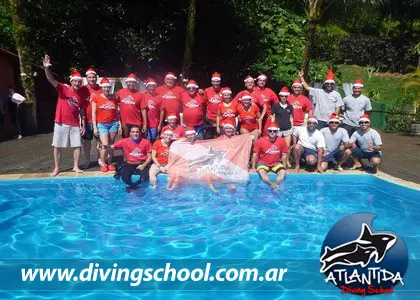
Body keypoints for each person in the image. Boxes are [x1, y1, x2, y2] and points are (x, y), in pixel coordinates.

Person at [43, 55, 86, 176]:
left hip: (75, 124)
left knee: (77, 145)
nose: (77, 83)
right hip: (61, 121)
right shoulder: (63, 88)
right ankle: (57, 168)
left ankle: (75, 166)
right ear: (71, 81)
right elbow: (51, 80)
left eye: (79, 81)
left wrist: (83, 124)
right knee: (58, 146)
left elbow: (82, 110)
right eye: (75, 81)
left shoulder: (80, 95)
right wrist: (46, 68)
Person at [92, 78, 121, 172]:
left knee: (111, 145)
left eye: (108, 87)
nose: (106, 89)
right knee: (105, 145)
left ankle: (109, 163)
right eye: (104, 88)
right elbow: (94, 113)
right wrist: (95, 127)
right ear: (102, 88)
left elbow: (117, 112)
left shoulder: (114, 98)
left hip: (113, 123)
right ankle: (103, 163)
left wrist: (119, 124)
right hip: (102, 124)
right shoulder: (96, 97)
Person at [251, 121, 288, 190]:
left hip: (276, 163)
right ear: (267, 132)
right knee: (262, 172)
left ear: (277, 132)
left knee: (282, 172)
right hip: (263, 163)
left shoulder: (282, 141)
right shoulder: (260, 141)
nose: (272, 132)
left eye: (274, 131)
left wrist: (284, 167)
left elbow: (284, 155)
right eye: (270, 131)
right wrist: (253, 168)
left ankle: (276, 184)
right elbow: (255, 155)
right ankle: (272, 184)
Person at [78, 67, 102, 168]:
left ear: (96, 78)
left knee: (100, 141)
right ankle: (87, 160)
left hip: (99, 120)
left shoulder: (101, 89)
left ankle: (100, 159)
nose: (92, 79)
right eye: (90, 77)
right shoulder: (83, 89)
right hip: (87, 120)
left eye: (93, 77)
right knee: (87, 142)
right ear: (86, 78)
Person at [116, 73, 147, 137]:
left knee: (136, 139)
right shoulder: (121, 92)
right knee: (125, 139)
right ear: (126, 83)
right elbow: (114, 102)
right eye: (130, 82)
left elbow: (143, 110)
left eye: (133, 82)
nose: (131, 84)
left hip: (136, 121)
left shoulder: (140, 94)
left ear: (135, 83)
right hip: (124, 121)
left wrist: (145, 124)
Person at [271, 87, 294, 167]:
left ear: (287, 97)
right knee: (277, 146)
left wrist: (292, 127)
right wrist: (272, 127)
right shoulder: (275, 106)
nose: (284, 98)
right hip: (278, 129)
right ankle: (276, 161)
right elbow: (273, 117)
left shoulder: (290, 106)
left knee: (287, 147)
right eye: (282, 96)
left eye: (285, 96)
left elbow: (291, 117)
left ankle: (287, 161)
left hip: (287, 128)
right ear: (280, 96)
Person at [203, 72, 223, 139]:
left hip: (221, 119)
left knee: (219, 138)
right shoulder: (207, 90)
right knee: (208, 138)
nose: (216, 83)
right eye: (214, 81)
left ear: (220, 82)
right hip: (209, 119)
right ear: (211, 82)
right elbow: (203, 103)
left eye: (217, 81)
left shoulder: (224, 91)